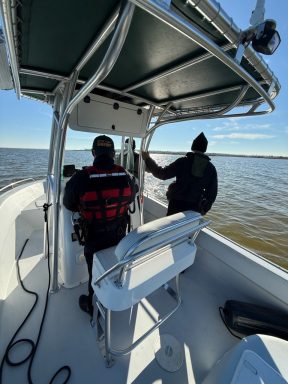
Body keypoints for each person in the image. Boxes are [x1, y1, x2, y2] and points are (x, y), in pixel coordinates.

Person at [63, 135, 135, 316]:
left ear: (93, 153)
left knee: (94, 271)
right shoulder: (126, 175)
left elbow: (68, 204)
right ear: (113, 153)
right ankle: (116, 292)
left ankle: (91, 301)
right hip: (119, 236)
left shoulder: (81, 178)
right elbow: (131, 197)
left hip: (93, 238)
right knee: (115, 265)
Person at [141, 132, 218, 216]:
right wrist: (203, 210)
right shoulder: (211, 168)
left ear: (193, 146)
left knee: (172, 227)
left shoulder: (183, 161)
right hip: (195, 208)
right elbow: (212, 194)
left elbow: (162, 174)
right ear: (205, 149)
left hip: (176, 205)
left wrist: (148, 159)